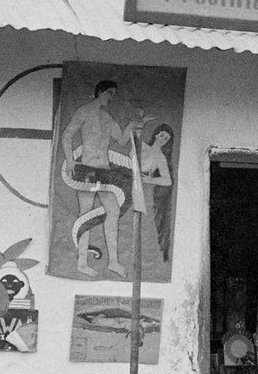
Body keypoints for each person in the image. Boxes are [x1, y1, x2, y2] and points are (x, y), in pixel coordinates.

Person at [59, 80, 151, 277]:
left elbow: (122, 139)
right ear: (99, 92)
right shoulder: (84, 111)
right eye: (109, 93)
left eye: (113, 94)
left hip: (104, 171)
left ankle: (114, 262)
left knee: (113, 211)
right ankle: (82, 262)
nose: (111, 97)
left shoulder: (107, 117)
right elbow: (66, 135)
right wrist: (70, 160)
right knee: (86, 213)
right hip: (87, 170)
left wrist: (133, 125)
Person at [139, 123, 175, 263]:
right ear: (155, 134)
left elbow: (168, 181)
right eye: (162, 136)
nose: (163, 139)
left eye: (166, 139)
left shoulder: (161, 157)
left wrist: (150, 179)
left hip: (141, 189)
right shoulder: (142, 146)